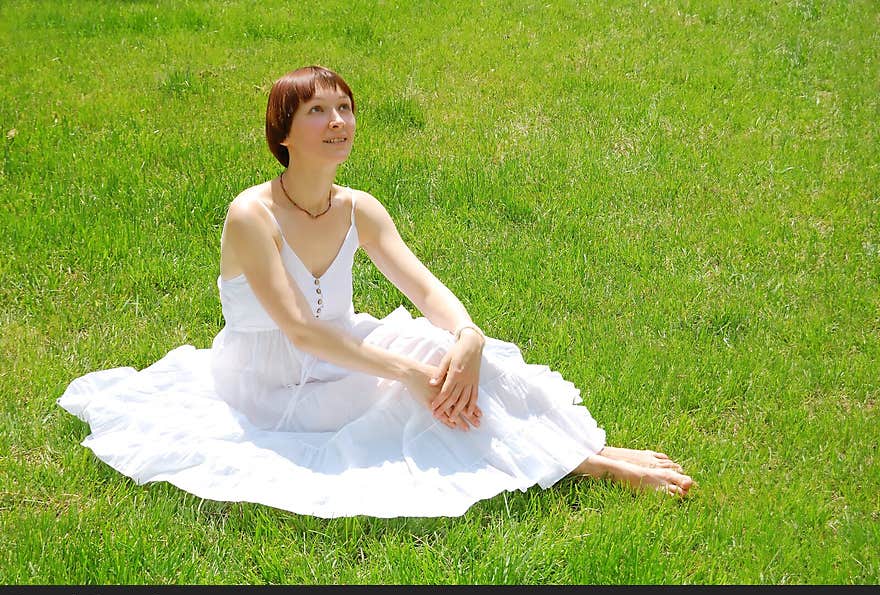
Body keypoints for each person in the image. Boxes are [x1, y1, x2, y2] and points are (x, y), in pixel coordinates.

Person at [58, 66, 692, 519]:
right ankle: (591, 466)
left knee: (470, 361)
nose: (338, 122)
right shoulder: (250, 215)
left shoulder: (358, 207)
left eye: (345, 108)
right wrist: (412, 372)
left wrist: (466, 336)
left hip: (349, 349)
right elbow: (301, 333)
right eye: (317, 111)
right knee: (422, 390)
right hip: (279, 381)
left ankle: (585, 451)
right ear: (283, 133)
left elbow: (420, 284)